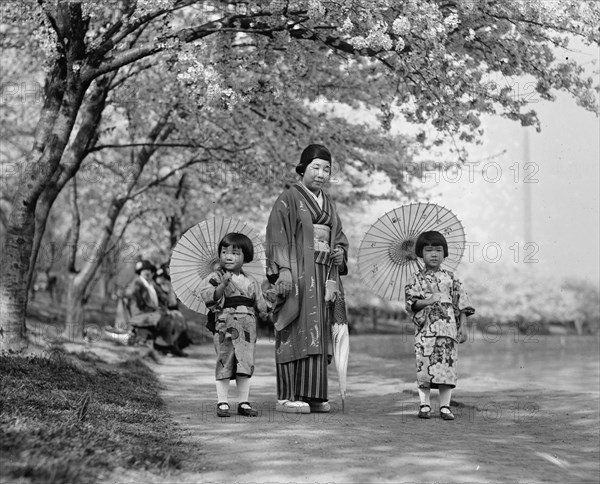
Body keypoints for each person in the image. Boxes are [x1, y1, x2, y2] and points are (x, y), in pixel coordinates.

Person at [265, 143, 349, 414]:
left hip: (325, 275)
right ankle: (288, 396)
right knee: (295, 327)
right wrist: (284, 270)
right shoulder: (288, 198)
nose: (322, 174)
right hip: (299, 273)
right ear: (303, 168)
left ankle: (313, 394)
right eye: (316, 167)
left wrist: (339, 253)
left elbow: (340, 238)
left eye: (327, 169)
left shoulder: (330, 204)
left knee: (319, 330)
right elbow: (278, 234)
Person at [404, 231, 475, 420]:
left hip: (448, 328)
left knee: (447, 366)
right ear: (421, 253)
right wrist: (427, 301)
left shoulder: (451, 278)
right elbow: (412, 304)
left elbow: (462, 304)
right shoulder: (416, 279)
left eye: (438, 250)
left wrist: (463, 326)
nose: (434, 254)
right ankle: (425, 405)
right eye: (428, 250)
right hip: (426, 329)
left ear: (444, 253)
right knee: (424, 365)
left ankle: (445, 406)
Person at [198, 233, 268, 418]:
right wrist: (222, 286)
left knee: (245, 362)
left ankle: (243, 402)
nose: (228, 256)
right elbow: (208, 296)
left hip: (247, 327)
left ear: (245, 256)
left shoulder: (251, 281)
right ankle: (222, 402)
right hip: (225, 324)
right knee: (225, 360)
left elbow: (261, 305)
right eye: (224, 251)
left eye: (235, 253)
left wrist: (274, 296)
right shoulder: (215, 277)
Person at [123, 260, 188, 357]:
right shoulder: (137, 283)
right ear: (140, 271)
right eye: (145, 270)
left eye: (149, 270)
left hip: (151, 312)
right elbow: (140, 302)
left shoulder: (150, 284)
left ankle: (169, 345)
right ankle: (164, 346)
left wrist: (169, 291)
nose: (148, 272)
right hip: (141, 314)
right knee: (166, 317)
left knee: (175, 316)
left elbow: (165, 299)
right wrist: (158, 309)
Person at [153, 263, 192, 357]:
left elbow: (173, 300)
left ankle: (175, 346)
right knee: (176, 320)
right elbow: (166, 300)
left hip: (171, 308)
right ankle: (169, 347)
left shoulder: (172, 282)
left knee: (180, 321)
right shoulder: (159, 284)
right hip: (162, 309)